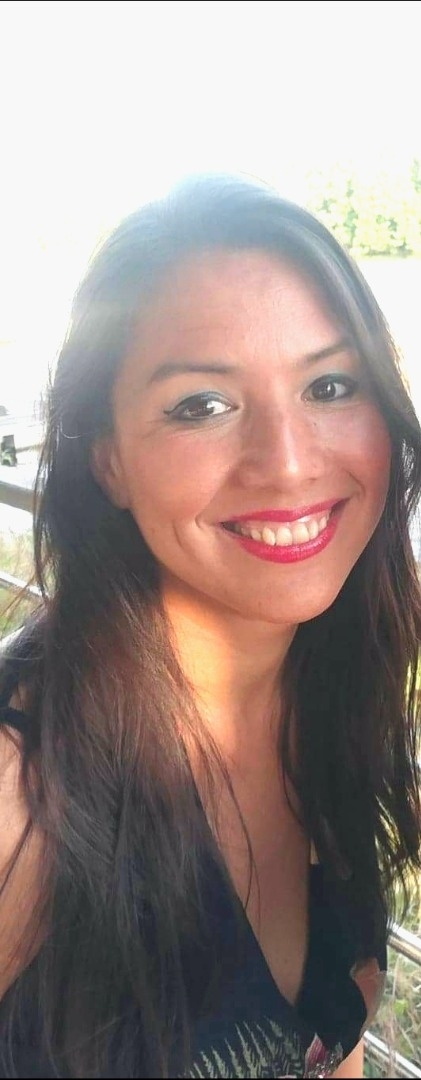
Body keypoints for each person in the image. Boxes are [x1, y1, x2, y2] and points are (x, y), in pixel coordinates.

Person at [0, 175, 420, 1080]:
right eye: (201, 405)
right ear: (108, 459)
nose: (288, 462)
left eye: (330, 384)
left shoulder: (335, 690)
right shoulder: (20, 794)